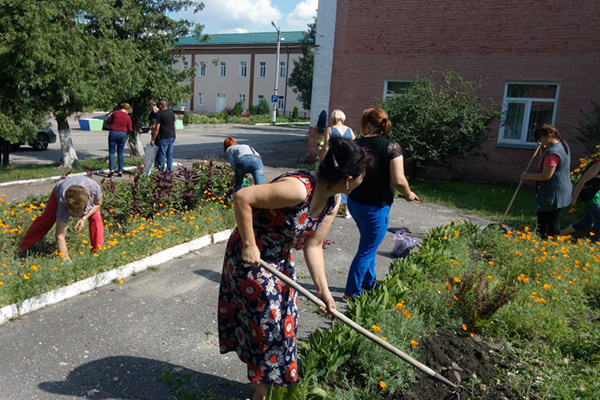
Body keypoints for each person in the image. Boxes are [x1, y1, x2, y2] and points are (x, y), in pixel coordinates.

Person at [217, 137, 369, 400]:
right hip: (252, 258)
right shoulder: (298, 190)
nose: (362, 181)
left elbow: (314, 244)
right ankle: (261, 394)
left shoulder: (333, 201)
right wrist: (250, 245)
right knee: (267, 328)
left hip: (281, 261)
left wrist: (324, 292)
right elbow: (243, 197)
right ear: (348, 178)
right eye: (361, 176)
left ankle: (268, 384)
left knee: (285, 325)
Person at [344, 107, 419, 300]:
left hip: (355, 203)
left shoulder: (355, 144)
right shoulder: (391, 148)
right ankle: (352, 292)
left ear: (368, 124)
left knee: (368, 245)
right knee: (367, 250)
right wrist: (409, 194)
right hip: (375, 208)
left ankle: (369, 282)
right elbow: (399, 181)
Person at [19, 175, 103, 261]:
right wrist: (66, 261)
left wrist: (84, 218)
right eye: (75, 212)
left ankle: (97, 253)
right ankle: (23, 247)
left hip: (86, 187)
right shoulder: (63, 203)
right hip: (60, 188)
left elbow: (98, 204)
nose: (79, 214)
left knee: (96, 219)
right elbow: (60, 235)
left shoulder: (94, 189)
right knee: (47, 219)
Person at [521, 124, 571, 239]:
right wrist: (543, 149)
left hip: (552, 193)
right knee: (552, 220)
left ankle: (546, 245)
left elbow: (546, 175)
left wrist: (527, 176)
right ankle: (549, 246)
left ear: (549, 135)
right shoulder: (562, 144)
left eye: (540, 138)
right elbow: (545, 162)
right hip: (561, 190)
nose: (539, 141)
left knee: (547, 222)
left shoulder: (553, 152)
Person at [320, 109, 355, 218]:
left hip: (333, 161)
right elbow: (354, 146)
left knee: (332, 183)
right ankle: (347, 211)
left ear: (333, 118)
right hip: (347, 161)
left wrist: (321, 160)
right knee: (345, 184)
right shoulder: (349, 130)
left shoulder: (330, 130)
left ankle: (330, 208)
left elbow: (326, 148)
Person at [560, 155, 600, 238]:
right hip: (593, 197)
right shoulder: (597, 165)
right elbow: (583, 180)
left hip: (598, 196)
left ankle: (559, 234)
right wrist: (574, 198)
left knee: (586, 224)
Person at [106, 103, 133, 177]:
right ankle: (120, 171)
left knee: (111, 152)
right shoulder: (127, 117)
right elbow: (130, 129)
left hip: (113, 132)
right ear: (127, 109)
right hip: (122, 134)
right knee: (120, 152)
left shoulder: (115, 113)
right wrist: (127, 135)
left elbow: (108, 121)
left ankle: (111, 170)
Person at [150, 100, 177, 172]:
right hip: (172, 136)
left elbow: (157, 128)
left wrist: (153, 138)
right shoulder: (172, 114)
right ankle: (168, 170)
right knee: (169, 154)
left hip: (164, 136)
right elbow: (174, 126)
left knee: (162, 154)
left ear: (161, 106)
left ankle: (161, 170)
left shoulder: (160, 114)